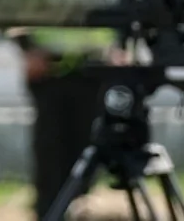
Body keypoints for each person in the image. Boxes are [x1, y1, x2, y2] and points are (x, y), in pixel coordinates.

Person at [11, 25, 119, 219]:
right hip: (49, 70)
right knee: (51, 155)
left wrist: (121, 47)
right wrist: (27, 48)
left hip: (95, 69)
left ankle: (80, 209)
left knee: (88, 152)